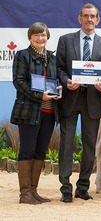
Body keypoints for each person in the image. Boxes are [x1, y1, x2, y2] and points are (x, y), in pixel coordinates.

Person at [57, 3, 101, 203]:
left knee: (90, 146)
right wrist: (66, 81)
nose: (89, 19)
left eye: (93, 16)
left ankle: (82, 187)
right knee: (66, 144)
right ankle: (65, 188)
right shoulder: (65, 40)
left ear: (98, 20)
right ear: (79, 19)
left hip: (93, 100)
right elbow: (59, 68)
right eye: (86, 16)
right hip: (70, 99)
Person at [10, 22, 62, 204]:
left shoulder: (52, 58)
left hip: (49, 112)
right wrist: (40, 96)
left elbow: (56, 80)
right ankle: (25, 194)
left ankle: (34, 191)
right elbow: (19, 81)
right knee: (27, 150)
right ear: (30, 37)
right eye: (37, 35)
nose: (41, 38)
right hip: (29, 111)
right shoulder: (22, 55)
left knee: (40, 152)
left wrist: (59, 89)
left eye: (44, 35)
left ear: (48, 37)